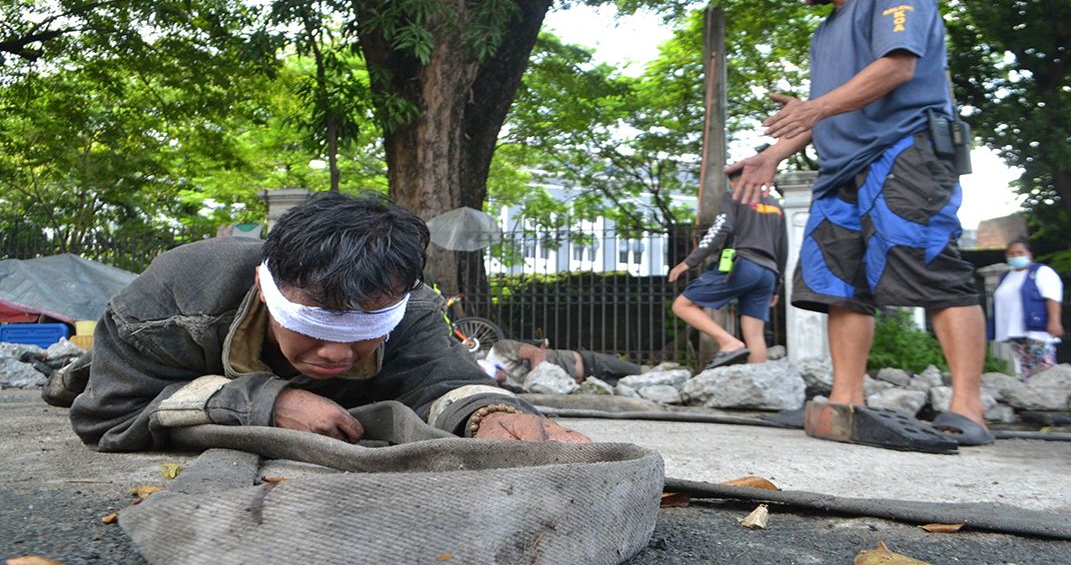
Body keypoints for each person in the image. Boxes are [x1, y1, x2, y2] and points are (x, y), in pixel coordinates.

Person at [727, 0, 993, 445]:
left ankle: (969, 407)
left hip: (907, 150)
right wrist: (772, 156)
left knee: (929, 263)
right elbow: (824, 112)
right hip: (840, 168)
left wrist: (813, 109)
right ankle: (846, 399)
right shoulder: (825, 33)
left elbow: (897, 67)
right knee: (836, 282)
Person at [56, 191, 588, 451]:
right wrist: (267, 403)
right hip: (165, 358)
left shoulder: (416, 307)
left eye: (361, 336)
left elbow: (443, 381)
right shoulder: (174, 299)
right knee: (86, 378)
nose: (335, 355)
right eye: (313, 329)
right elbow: (107, 414)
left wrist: (489, 414)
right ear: (267, 292)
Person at [668, 167, 788, 369]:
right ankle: (759, 387)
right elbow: (783, 247)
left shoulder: (733, 196)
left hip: (743, 265)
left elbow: (721, 229)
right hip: (768, 273)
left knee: (682, 305)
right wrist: (777, 285)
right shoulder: (776, 205)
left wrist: (689, 262)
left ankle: (728, 342)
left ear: (735, 182)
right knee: (755, 335)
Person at [990, 238, 1064, 380]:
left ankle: (1049, 394)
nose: (1015, 256)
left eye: (1019, 253)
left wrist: (1054, 321)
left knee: (1043, 367)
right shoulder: (1006, 276)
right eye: (1011, 254)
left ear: (1029, 254)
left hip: (1036, 328)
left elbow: (1052, 297)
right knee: (1025, 366)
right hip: (1014, 331)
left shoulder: (1041, 272)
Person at [483, 339, 643, 387]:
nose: (496, 377)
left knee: (643, 373)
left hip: (591, 362)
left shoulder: (500, 350)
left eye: (493, 372)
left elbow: (536, 352)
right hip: (586, 383)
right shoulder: (500, 385)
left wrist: (537, 380)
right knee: (636, 387)